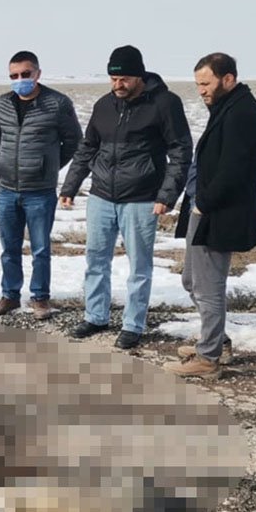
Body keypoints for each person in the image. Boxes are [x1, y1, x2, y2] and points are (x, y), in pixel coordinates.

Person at [60, 45, 192, 349]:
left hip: (143, 200)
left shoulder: (165, 104)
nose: (118, 85)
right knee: (95, 260)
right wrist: (70, 186)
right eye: (113, 79)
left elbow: (181, 151)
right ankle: (95, 316)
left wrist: (167, 196)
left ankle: (133, 324)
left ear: (140, 76)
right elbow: (87, 148)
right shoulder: (104, 105)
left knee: (139, 267)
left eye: (125, 80)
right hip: (101, 197)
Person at [164, 52, 256, 378]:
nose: (202, 91)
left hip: (218, 212)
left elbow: (234, 169)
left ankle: (208, 360)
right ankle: (216, 341)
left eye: (206, 83)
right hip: (204, 208)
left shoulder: (242, 113)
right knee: (192, 280)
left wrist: (204, 202)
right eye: (198, 85)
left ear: (228, 79)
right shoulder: (226, 107)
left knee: (209, 287)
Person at [0, 50, 82, 320]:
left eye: (25, 74)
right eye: (14, 76)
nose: (20, 80)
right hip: (7, 189)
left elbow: (73, 140)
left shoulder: (57, 103)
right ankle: (10, 296)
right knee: (9, 248)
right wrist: (10, 163)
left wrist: (47, 166)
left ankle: (40, 298)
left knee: (40, 248)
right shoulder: (2, 103)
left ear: (38, 73)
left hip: (40, 191)